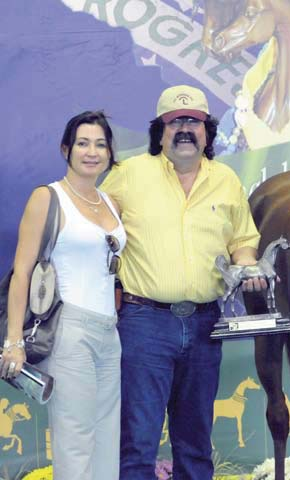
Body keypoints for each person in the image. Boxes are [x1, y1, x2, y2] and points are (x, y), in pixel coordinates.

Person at [101, 85, 266, 480]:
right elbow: (95, 232)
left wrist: (248, 268)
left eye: (193, 121)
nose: (185, 130)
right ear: (160, 131)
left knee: (195, 444)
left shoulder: (226, 180)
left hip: (206, 325)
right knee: (137, 442)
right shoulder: (126, 175)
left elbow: (243, 241)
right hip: (144, 323)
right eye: (175, 122)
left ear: (207, 130)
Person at [1, 111, 125, 479]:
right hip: (69, 329)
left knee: (107, 437)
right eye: (83, 143)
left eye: (101, 144)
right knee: (75, 440)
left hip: (110, 332)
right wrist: (12, 343)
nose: (92, 152)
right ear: (66, 150)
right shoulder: (48, 197)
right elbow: (22, 272)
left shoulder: (111, 203)